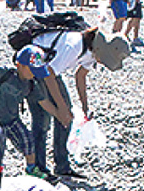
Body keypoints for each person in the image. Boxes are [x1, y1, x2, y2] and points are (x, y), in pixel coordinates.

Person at [15, 28, 130, 179]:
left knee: (67, 118)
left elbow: (80, 75)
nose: (103, 62)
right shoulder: (74, 45)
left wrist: (84, 106)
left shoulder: (93, 52)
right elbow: (48, 74)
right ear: (103, 48)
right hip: (35, 69)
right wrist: (61, 108)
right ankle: (38, 168)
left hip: (51, 71)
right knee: (42, 120)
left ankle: (62, 166)